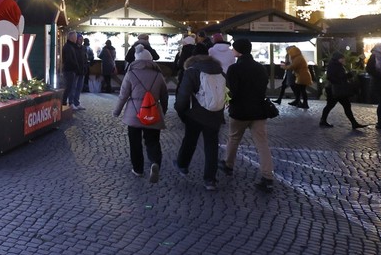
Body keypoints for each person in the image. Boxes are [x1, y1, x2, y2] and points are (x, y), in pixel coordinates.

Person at [220, 39, 276, 192]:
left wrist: (227, 102)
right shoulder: (260, 68)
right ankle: (267, 176)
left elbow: (232, 91)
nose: (232, 50)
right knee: (262, 144)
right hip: (258, 111)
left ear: (238, 51)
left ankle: (228, 164)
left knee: (234, 137)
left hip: (240, 111)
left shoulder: (234, 69)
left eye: (233, 48)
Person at [113, 46, 167, 183]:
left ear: (136, 59)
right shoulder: (158, 74)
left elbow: (123, 95)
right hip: (153, 112)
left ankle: (138, 169)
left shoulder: (131, 73)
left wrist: (117, 111)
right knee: (153, 141)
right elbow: (164, 96)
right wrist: (163, 112)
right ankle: (155, 162)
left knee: (135, 142)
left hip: (134, 114)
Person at [175, 55, 226, 190]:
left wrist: (180, 110)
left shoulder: (191, 72)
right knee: (212, 146)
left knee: (190, 140)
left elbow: (183, 95)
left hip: (195, 114)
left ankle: (182, 165)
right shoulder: (221, 72)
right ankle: (210, 180)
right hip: (215, 114)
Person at [319, 51, 366, 130]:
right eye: (342, 58)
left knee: (339, 105)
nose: (344, 60)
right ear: (338, 59)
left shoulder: (337, 65)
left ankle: (354, 123)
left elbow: (341, 77)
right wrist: (345, 77)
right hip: (335, 90)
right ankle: (353, 123)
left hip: (337, 89)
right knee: (336, 105)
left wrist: (347, 76)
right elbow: (332, 77)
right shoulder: (334, 66)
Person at [61, 31, 84, 110]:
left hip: (74, 70)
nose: (76, 39)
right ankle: (66, 103)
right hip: (70, 70)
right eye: (75, 37)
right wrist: (76, 67)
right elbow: (70, 60)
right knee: (70, 87)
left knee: (72, 87)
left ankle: (69, 102)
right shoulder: (69, 47)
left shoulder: (71, 46)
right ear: (72, 38)